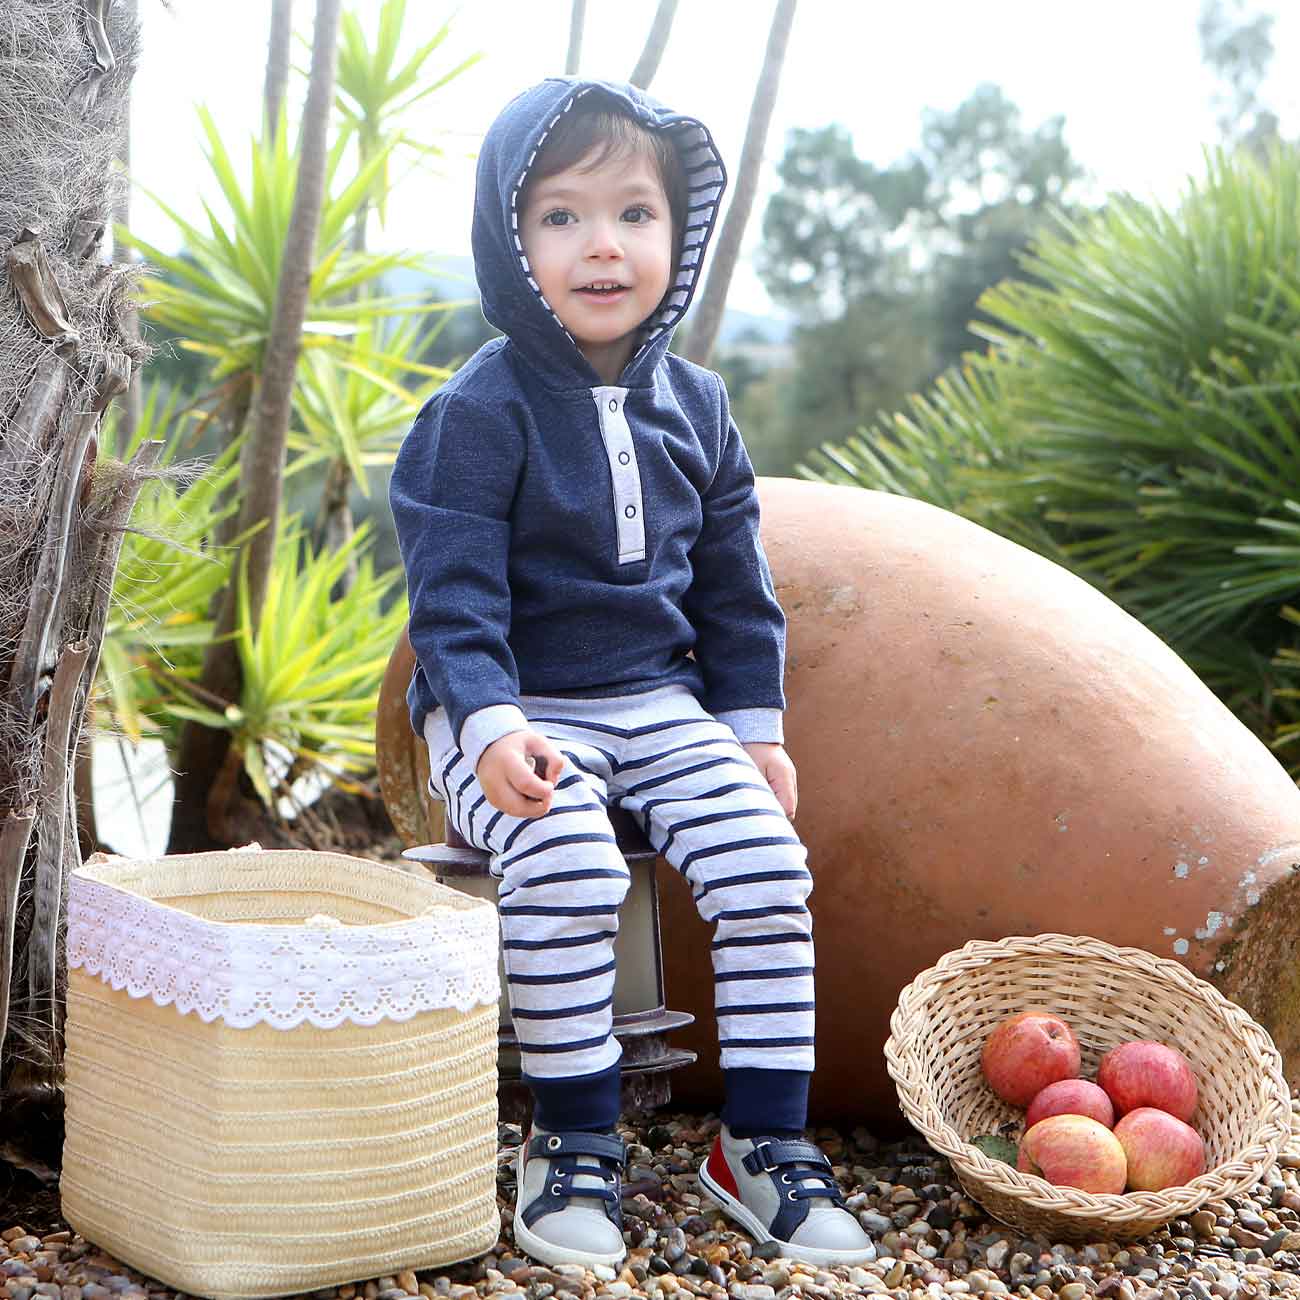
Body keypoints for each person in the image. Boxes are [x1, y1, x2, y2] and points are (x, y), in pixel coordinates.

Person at [390, 77, 874, 1272]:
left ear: (678, 232)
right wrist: (489, 724)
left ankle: (758, 1144)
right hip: (496, 704)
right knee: (564, 858)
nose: (602, 245)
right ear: (511, 243)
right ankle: (570, 1136)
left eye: (633, 214)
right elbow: (451, 599)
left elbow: (733, 593)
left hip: (657, 706)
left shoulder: (700, 410)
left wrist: (754, 731)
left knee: (767, 865)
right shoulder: (477, 412)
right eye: (559, 217)